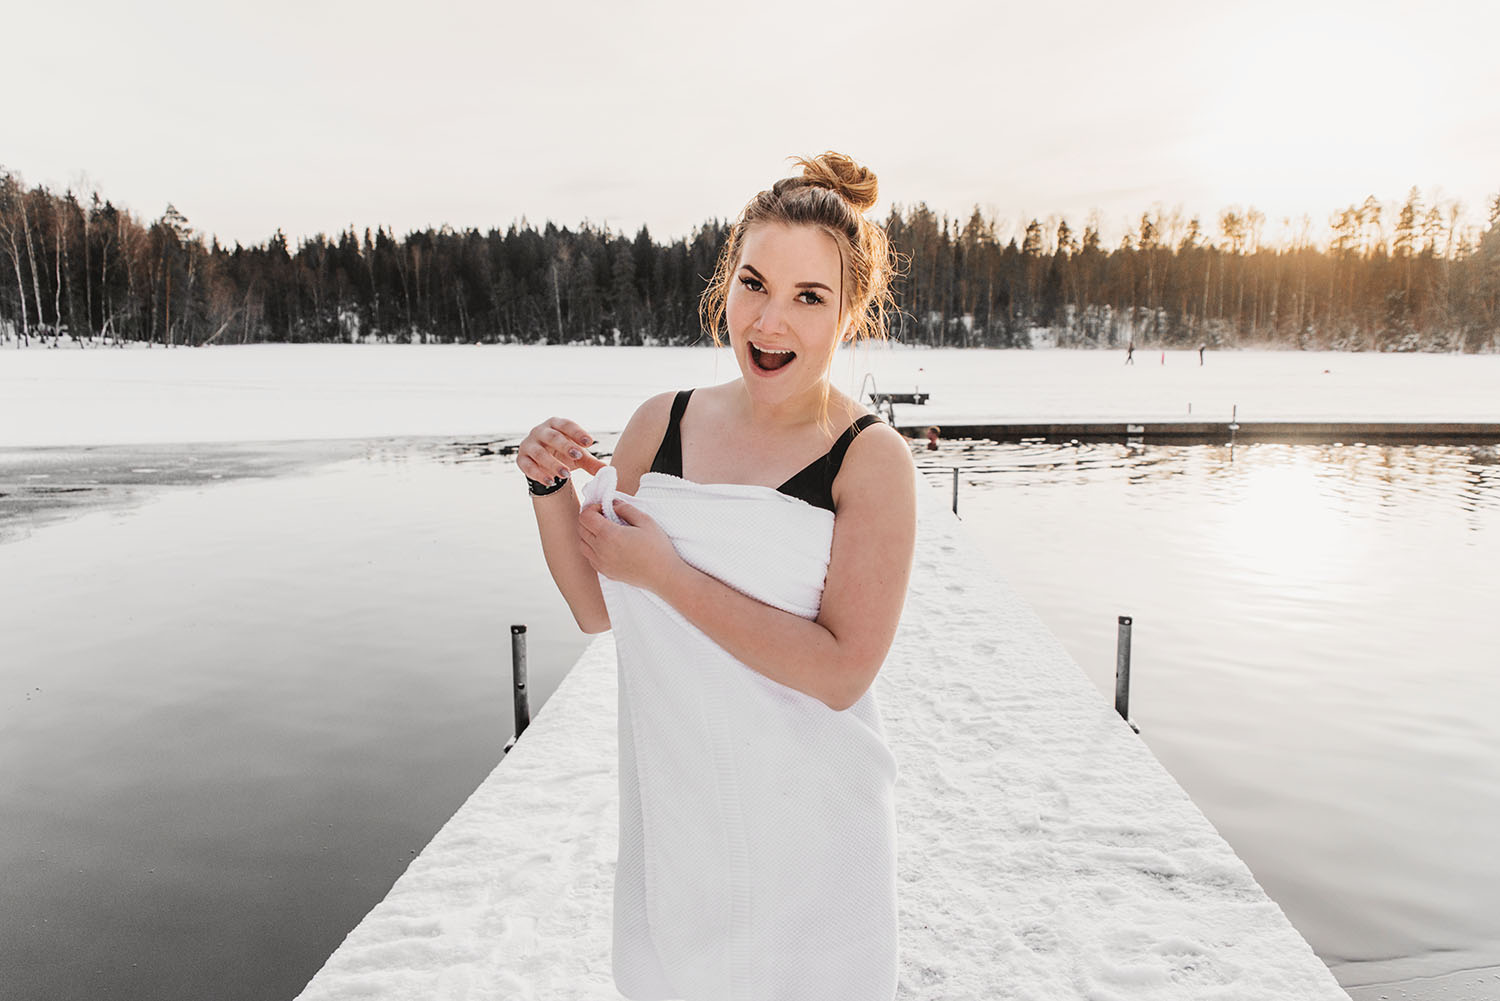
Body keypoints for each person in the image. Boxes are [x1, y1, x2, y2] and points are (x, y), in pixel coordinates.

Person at [516, 152, 916, 1000]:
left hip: (813, 838)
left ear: (849, 312)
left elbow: (844, 671)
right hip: (681, 822)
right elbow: (596, 606)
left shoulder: (869, 460)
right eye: (754, 283)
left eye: (809, 297)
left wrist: (667, 574)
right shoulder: (661, 423)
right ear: (725, 283)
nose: (770, 321)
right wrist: (548, 486)